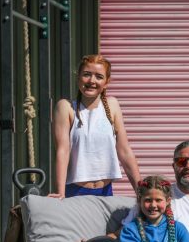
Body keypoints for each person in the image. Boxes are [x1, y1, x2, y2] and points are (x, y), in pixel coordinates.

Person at [50, 54, 140, 198]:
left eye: (99, 76)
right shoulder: (66, 107)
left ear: (106, 82)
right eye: (86, 75)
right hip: (75, 192)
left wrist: (141, 191)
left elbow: (124, 151)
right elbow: (63, 151)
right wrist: (60, 193)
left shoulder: (112, 105)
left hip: (105, 192)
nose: (92, 81)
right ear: (78, 77)